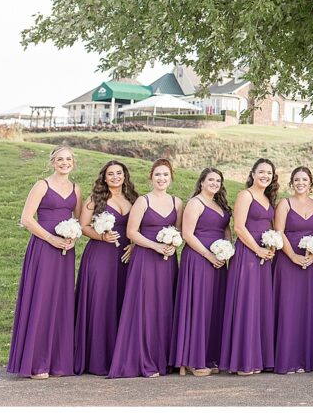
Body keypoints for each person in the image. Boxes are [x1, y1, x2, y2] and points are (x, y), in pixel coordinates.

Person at [7, 145, 83, 378]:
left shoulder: (76, 189)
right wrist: (51, 238)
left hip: (65, 252)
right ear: (52, 162)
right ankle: (36, 363)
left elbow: (78, 219)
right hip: (43, 248)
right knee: (41, 299)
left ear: (73, 162)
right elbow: (26, 219)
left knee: (61, 301)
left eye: (68, 159)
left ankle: (57, 362)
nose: (64, 163)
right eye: (60, 159)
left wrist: (72, 237)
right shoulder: (42, 185)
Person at [108, 159, 182, 378]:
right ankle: (143, 359)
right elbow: (131, 232)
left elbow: (177, 230)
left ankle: (163, 359)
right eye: (158, 174)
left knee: (164, 307)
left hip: (167, 262)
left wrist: (171, 244)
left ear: (171, 178)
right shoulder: (143, 201)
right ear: (151, 176)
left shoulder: (177, 202)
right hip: (145, 260)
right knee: (145, 307)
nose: (161, 179)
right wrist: (155, 246)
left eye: (165, 175)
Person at [74, 160, 136, 375]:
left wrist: (135, 245)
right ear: (104, 177)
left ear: (125, 175)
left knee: (122, 302)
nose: (115, 177)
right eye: (111, 174)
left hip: (126, 257)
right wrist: (102, 236)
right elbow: (83, 227)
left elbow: (140, 227)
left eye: (119, 173)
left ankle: (120, 356)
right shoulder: (95, 199)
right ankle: (97, 359)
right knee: (102, 302)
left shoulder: (134, 199)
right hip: (100, 256)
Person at [170, 167, 231, 376]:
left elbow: (226, 230)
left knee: (214, 307)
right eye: (211, 180)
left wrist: (226, 251)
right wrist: (208, 255)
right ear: (202, 182)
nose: (215, 183)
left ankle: (209, 356)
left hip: (218, 260)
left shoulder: (220, 204)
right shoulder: (196, 203)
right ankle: (193, 360)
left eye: (218, 180)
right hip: (198, 258)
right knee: (199, 307)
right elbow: (187, 234)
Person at [219, 158, 278, 375]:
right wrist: (257, 250)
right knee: (247, 303)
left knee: (260, 304)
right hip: (247, 254)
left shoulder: (267, 197)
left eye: (269, 173)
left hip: (264, 254)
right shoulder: (246, 195)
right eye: (261, 172)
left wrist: (271, 246)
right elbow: (240, 228)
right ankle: (243, 360)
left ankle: (257, 358)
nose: (265, 176)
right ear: (252, 173)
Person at [273, 166, 313, 374]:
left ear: (311, 182)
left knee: (307, 307)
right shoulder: (284, 204)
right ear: (292, 183)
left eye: (304, 179)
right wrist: (292, 255)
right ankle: (287, 359)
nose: (300, 183)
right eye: (296, 179)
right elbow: (279, 231)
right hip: (287, 260)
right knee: (288, 307)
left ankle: (307, 359)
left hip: (311, 262)